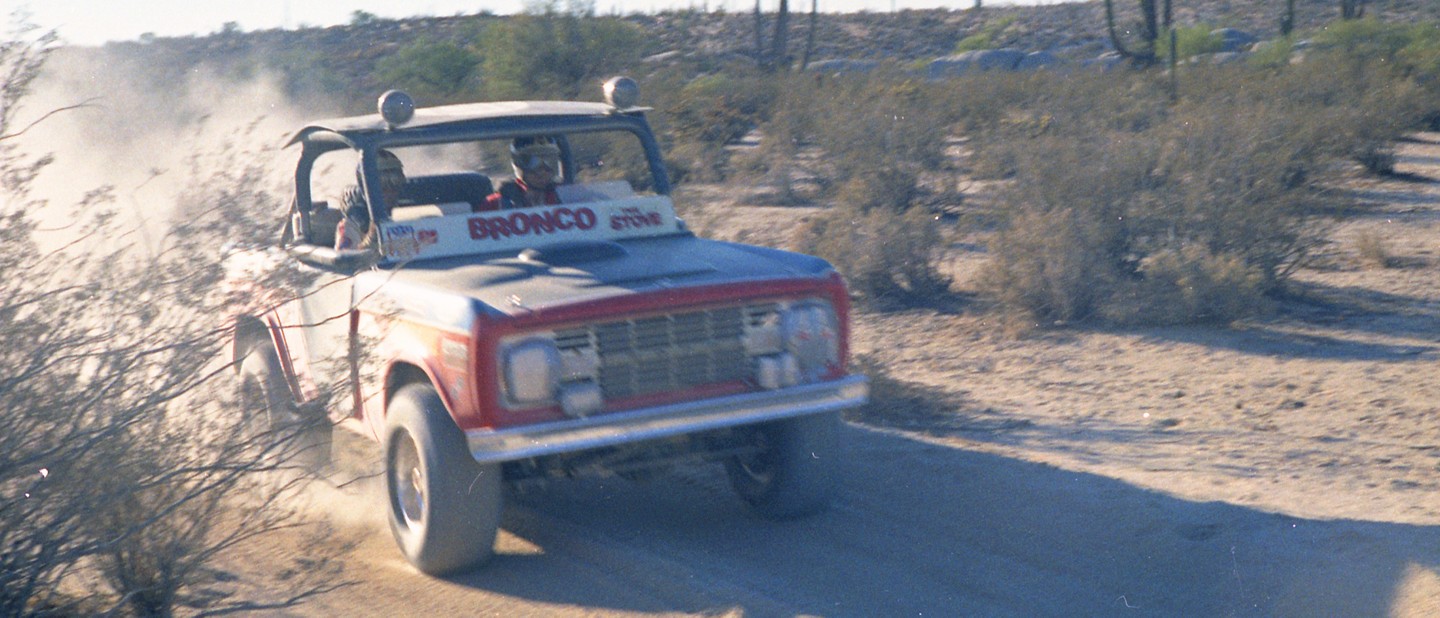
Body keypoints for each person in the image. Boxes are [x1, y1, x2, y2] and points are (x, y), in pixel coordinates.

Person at [336, 149, 405, 250]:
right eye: (382, 183)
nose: (389, 189)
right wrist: (369, 242)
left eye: (396, 180)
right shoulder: (350, 225)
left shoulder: (407, 213)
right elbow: (345, 260)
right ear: (365, 185)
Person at [482, 136, 562, 210]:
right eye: (532, 162)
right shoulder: (496, 204)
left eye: (549, 161)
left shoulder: (565, 197)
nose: (541, 171)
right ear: (517, 163)